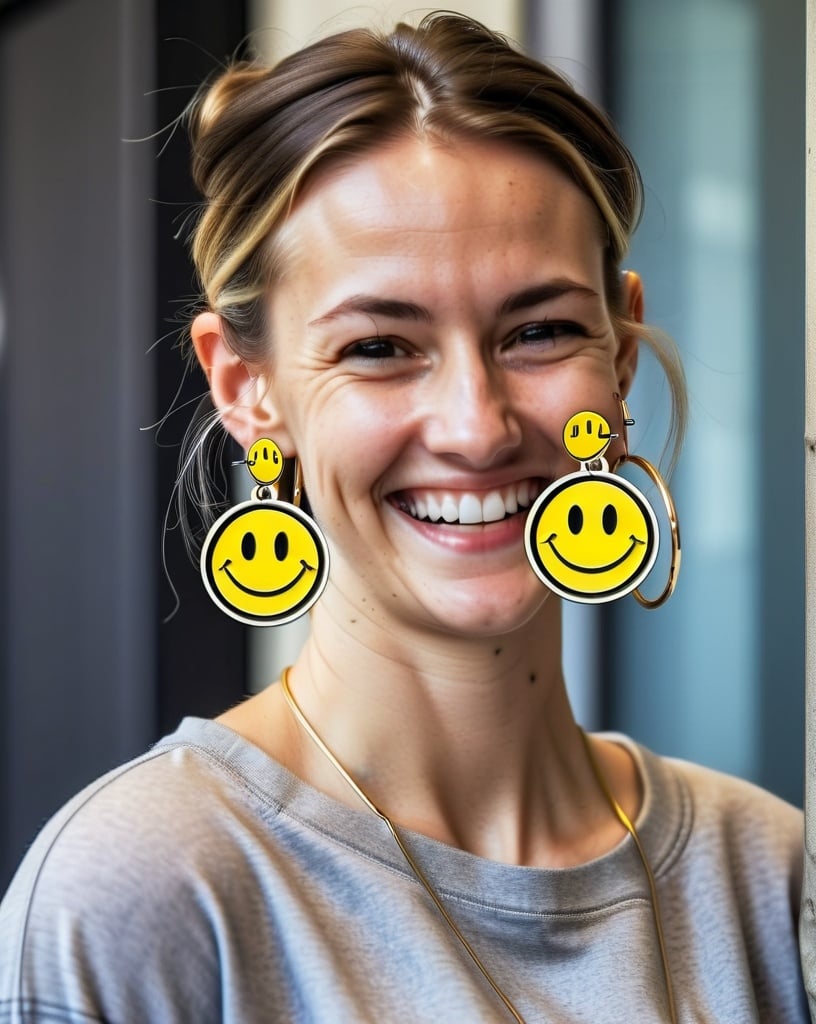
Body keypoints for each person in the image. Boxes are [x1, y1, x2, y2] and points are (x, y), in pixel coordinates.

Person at [0, 12, 806, 1023]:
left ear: (622, 355)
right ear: (246, 386)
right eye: (380, 346)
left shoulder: (774, 876)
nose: (476, 427)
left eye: (542, 330)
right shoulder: (146, 890)